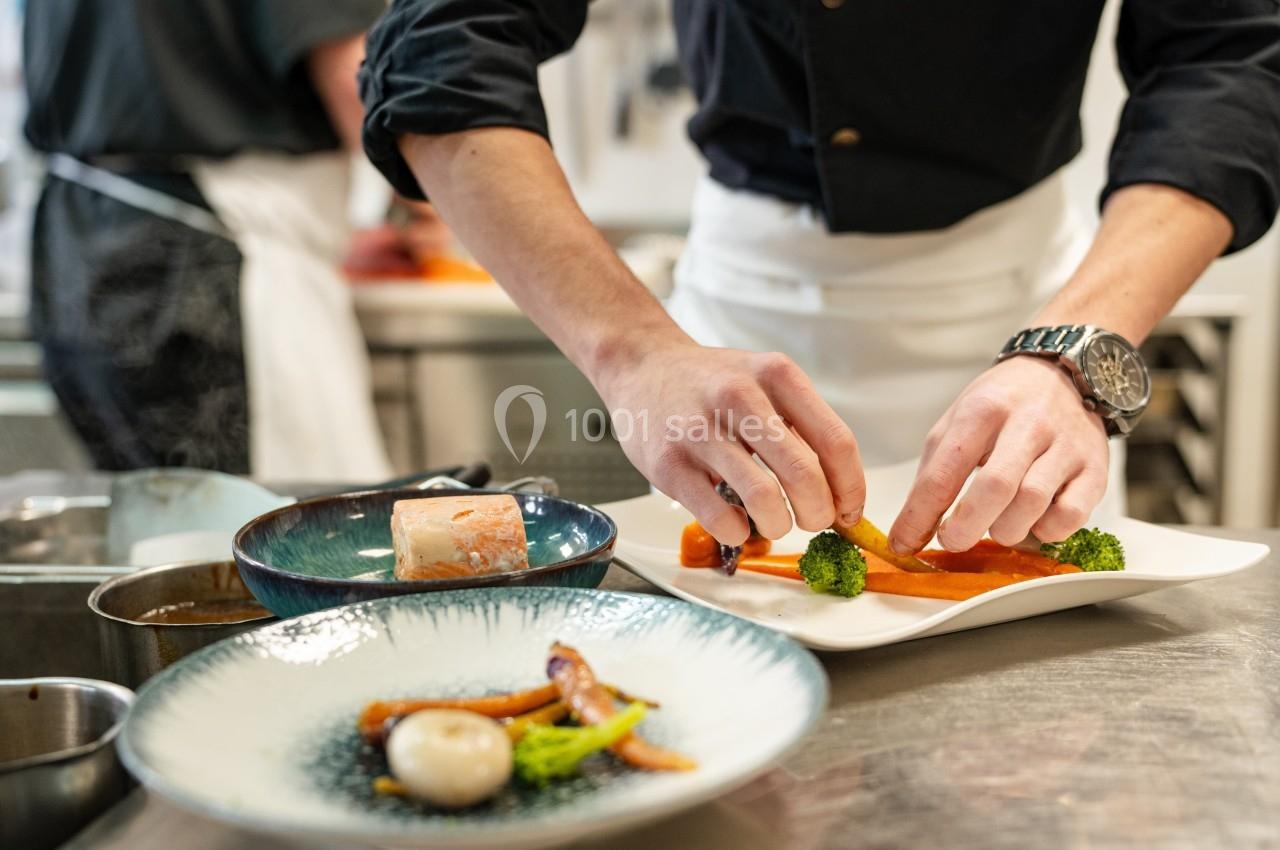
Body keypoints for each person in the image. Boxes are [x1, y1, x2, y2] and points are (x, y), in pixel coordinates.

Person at [358, 2, 1280, 553]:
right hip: (732, 326)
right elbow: (443, 43)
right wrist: (635, 353)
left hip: (1036, 330)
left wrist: (1073, 356)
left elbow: (1231, 55)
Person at [23, 0, 395, 480]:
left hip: (82, 239)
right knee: (270, 531)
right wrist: (437, 200)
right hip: (199, 258)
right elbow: (356, 80)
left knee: (168, 527)